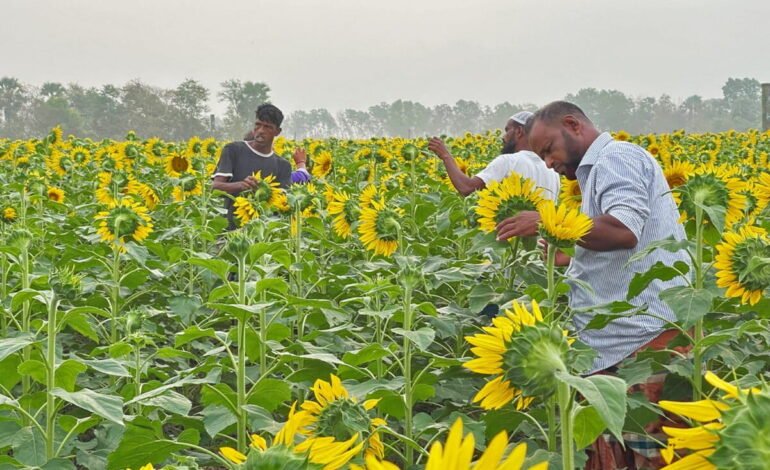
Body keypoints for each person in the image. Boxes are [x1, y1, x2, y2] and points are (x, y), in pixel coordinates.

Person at [496, 101, 691, 468]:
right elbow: (626, 248)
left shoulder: (616, 158)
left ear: (573, 125)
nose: (548, 164)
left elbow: (624, 229)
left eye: (549, 149)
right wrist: (574, 256)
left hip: (642, 346)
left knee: (657, 456)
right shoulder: (595, 173)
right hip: (618, 348)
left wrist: (547, 221)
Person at [212, 103, 311, 229]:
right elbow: (215, 189)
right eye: (258, 125)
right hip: (231, 234)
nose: (261, 131)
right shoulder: (234, 150)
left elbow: (280, 205)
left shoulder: (283, 165)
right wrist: (241, 185)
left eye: (267, 127)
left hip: (266, 234)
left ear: (277, 132)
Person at [427, 111, 560, 200]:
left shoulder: (509, 161)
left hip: (510, 234)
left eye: (507, 130)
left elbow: (467, 188)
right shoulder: (553, 171)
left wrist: (445, 156)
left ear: (519, 131)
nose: (503, 137)